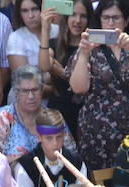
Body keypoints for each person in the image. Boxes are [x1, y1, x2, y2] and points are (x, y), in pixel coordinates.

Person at [67, 0, 129, 172]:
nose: (110, 23)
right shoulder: (89, 47)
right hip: (95, 133)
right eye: (106, 18)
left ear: (126, 21)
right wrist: (85, 54)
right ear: (99, 20)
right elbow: (78, 88)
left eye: (116, 18)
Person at [13, 108, 85, 187]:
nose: (55, 144)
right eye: (49, 138)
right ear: (39, 137)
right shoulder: (26, 166)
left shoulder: (76, 162)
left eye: (59, 137)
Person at [38, 0, 89, 133]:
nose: (77, 21)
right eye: (73, 14)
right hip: (58, 111)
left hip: (85, 112)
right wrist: (45, 28)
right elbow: (44, 66)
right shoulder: (55, 43)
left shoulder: (93, 48)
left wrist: (62, 71)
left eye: (83, 16)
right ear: (66, 17)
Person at [0, 65, 47, 164]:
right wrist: (23, 161)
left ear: (42, 90)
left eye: (35, 90)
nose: (31, 96)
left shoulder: (51, 117)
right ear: (16, 93)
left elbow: (69, 154)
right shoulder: (1, 119)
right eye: (25, 91)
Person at [7, 0, 44, 70]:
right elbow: (23, 77)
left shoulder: (57, 30)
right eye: (25, 11)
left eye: (35, 9)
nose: (31, 15)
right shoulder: (15, 38)